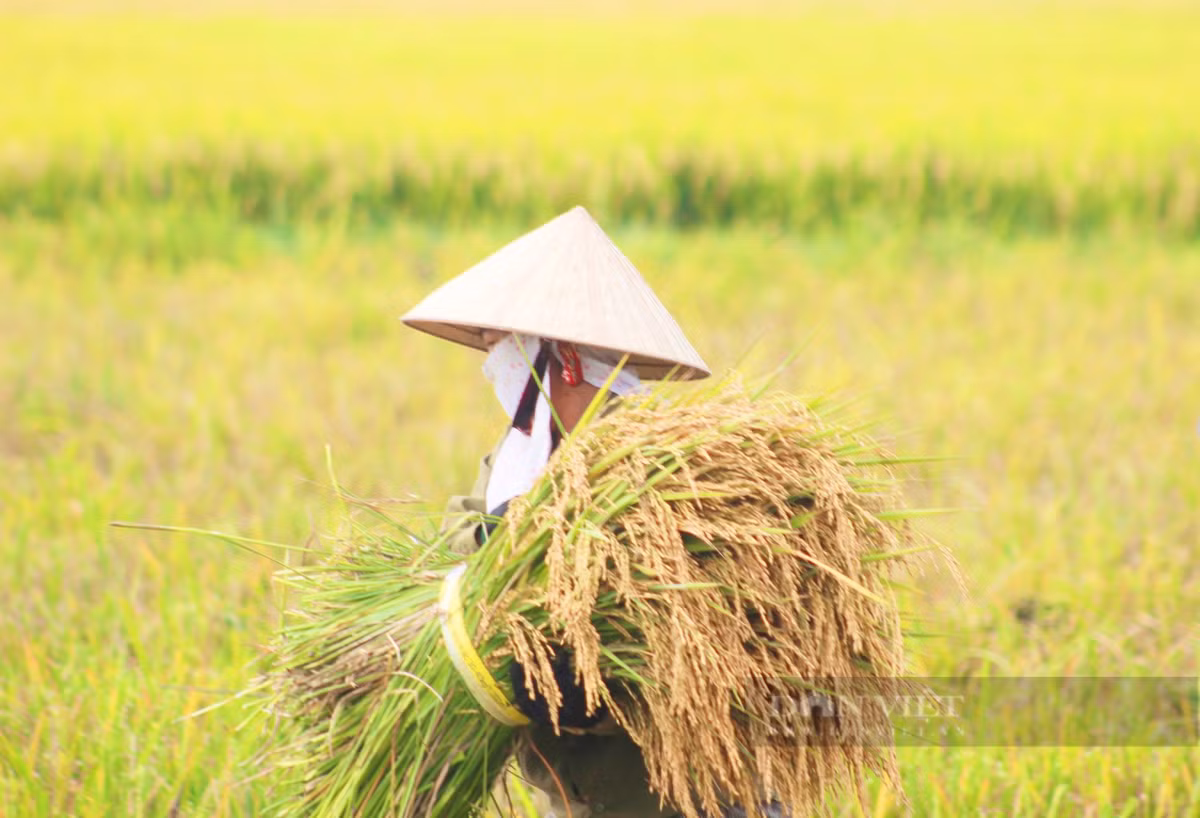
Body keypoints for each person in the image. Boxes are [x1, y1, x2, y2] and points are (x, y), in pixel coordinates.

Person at [403, 207, 782, 818]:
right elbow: (460, 533)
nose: (495, 364)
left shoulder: (669, 470)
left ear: (566, 360)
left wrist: (593, 687)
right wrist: (493, 542)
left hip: (690, 799)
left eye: (507, 348)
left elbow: (708, 652)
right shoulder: (518, 452)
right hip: (582, 797)